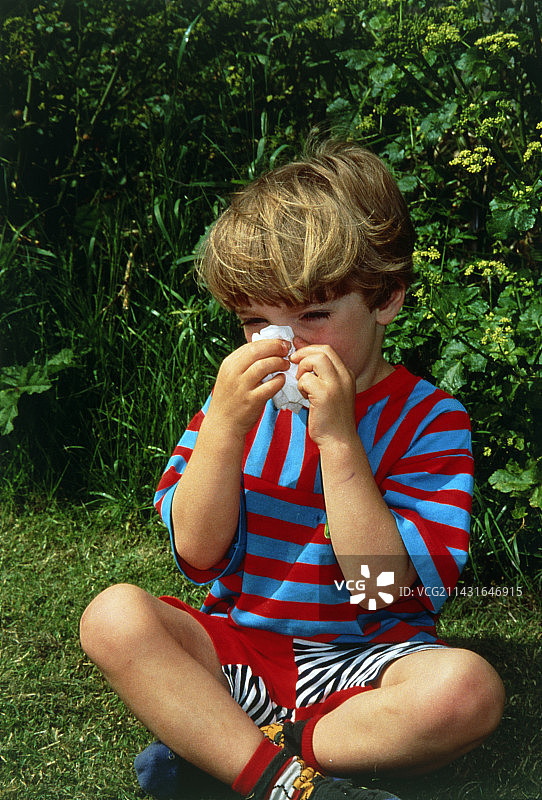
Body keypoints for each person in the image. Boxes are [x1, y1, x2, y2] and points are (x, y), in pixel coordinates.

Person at [79, 140, 505, 800]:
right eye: (257, 320)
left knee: (466, 692)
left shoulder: (430, 419)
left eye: (313, 315)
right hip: (242, 652)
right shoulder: (232, 409)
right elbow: (195, 554)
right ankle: (279, 779)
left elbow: (385, 591)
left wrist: (338, 440)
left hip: (365, 662)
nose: (285, 344)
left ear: (386, 298)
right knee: (112, 617)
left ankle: (237, 753)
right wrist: (222, 427)